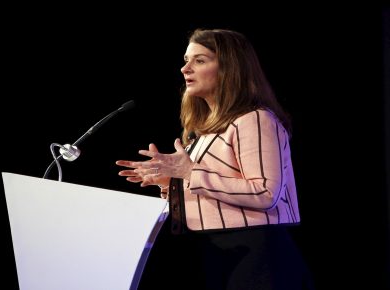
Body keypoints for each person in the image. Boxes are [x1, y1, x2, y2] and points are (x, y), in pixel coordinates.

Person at [116, 29, 314, 290]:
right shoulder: (204, 132)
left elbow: (266, 192)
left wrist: (189, 174)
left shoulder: (255, 119)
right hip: (213, 251)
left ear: (230, 68)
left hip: (256, 257)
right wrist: (170, 182)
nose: (185, 69)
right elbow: (213, 191)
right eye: (186, 60)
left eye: (200, 60)